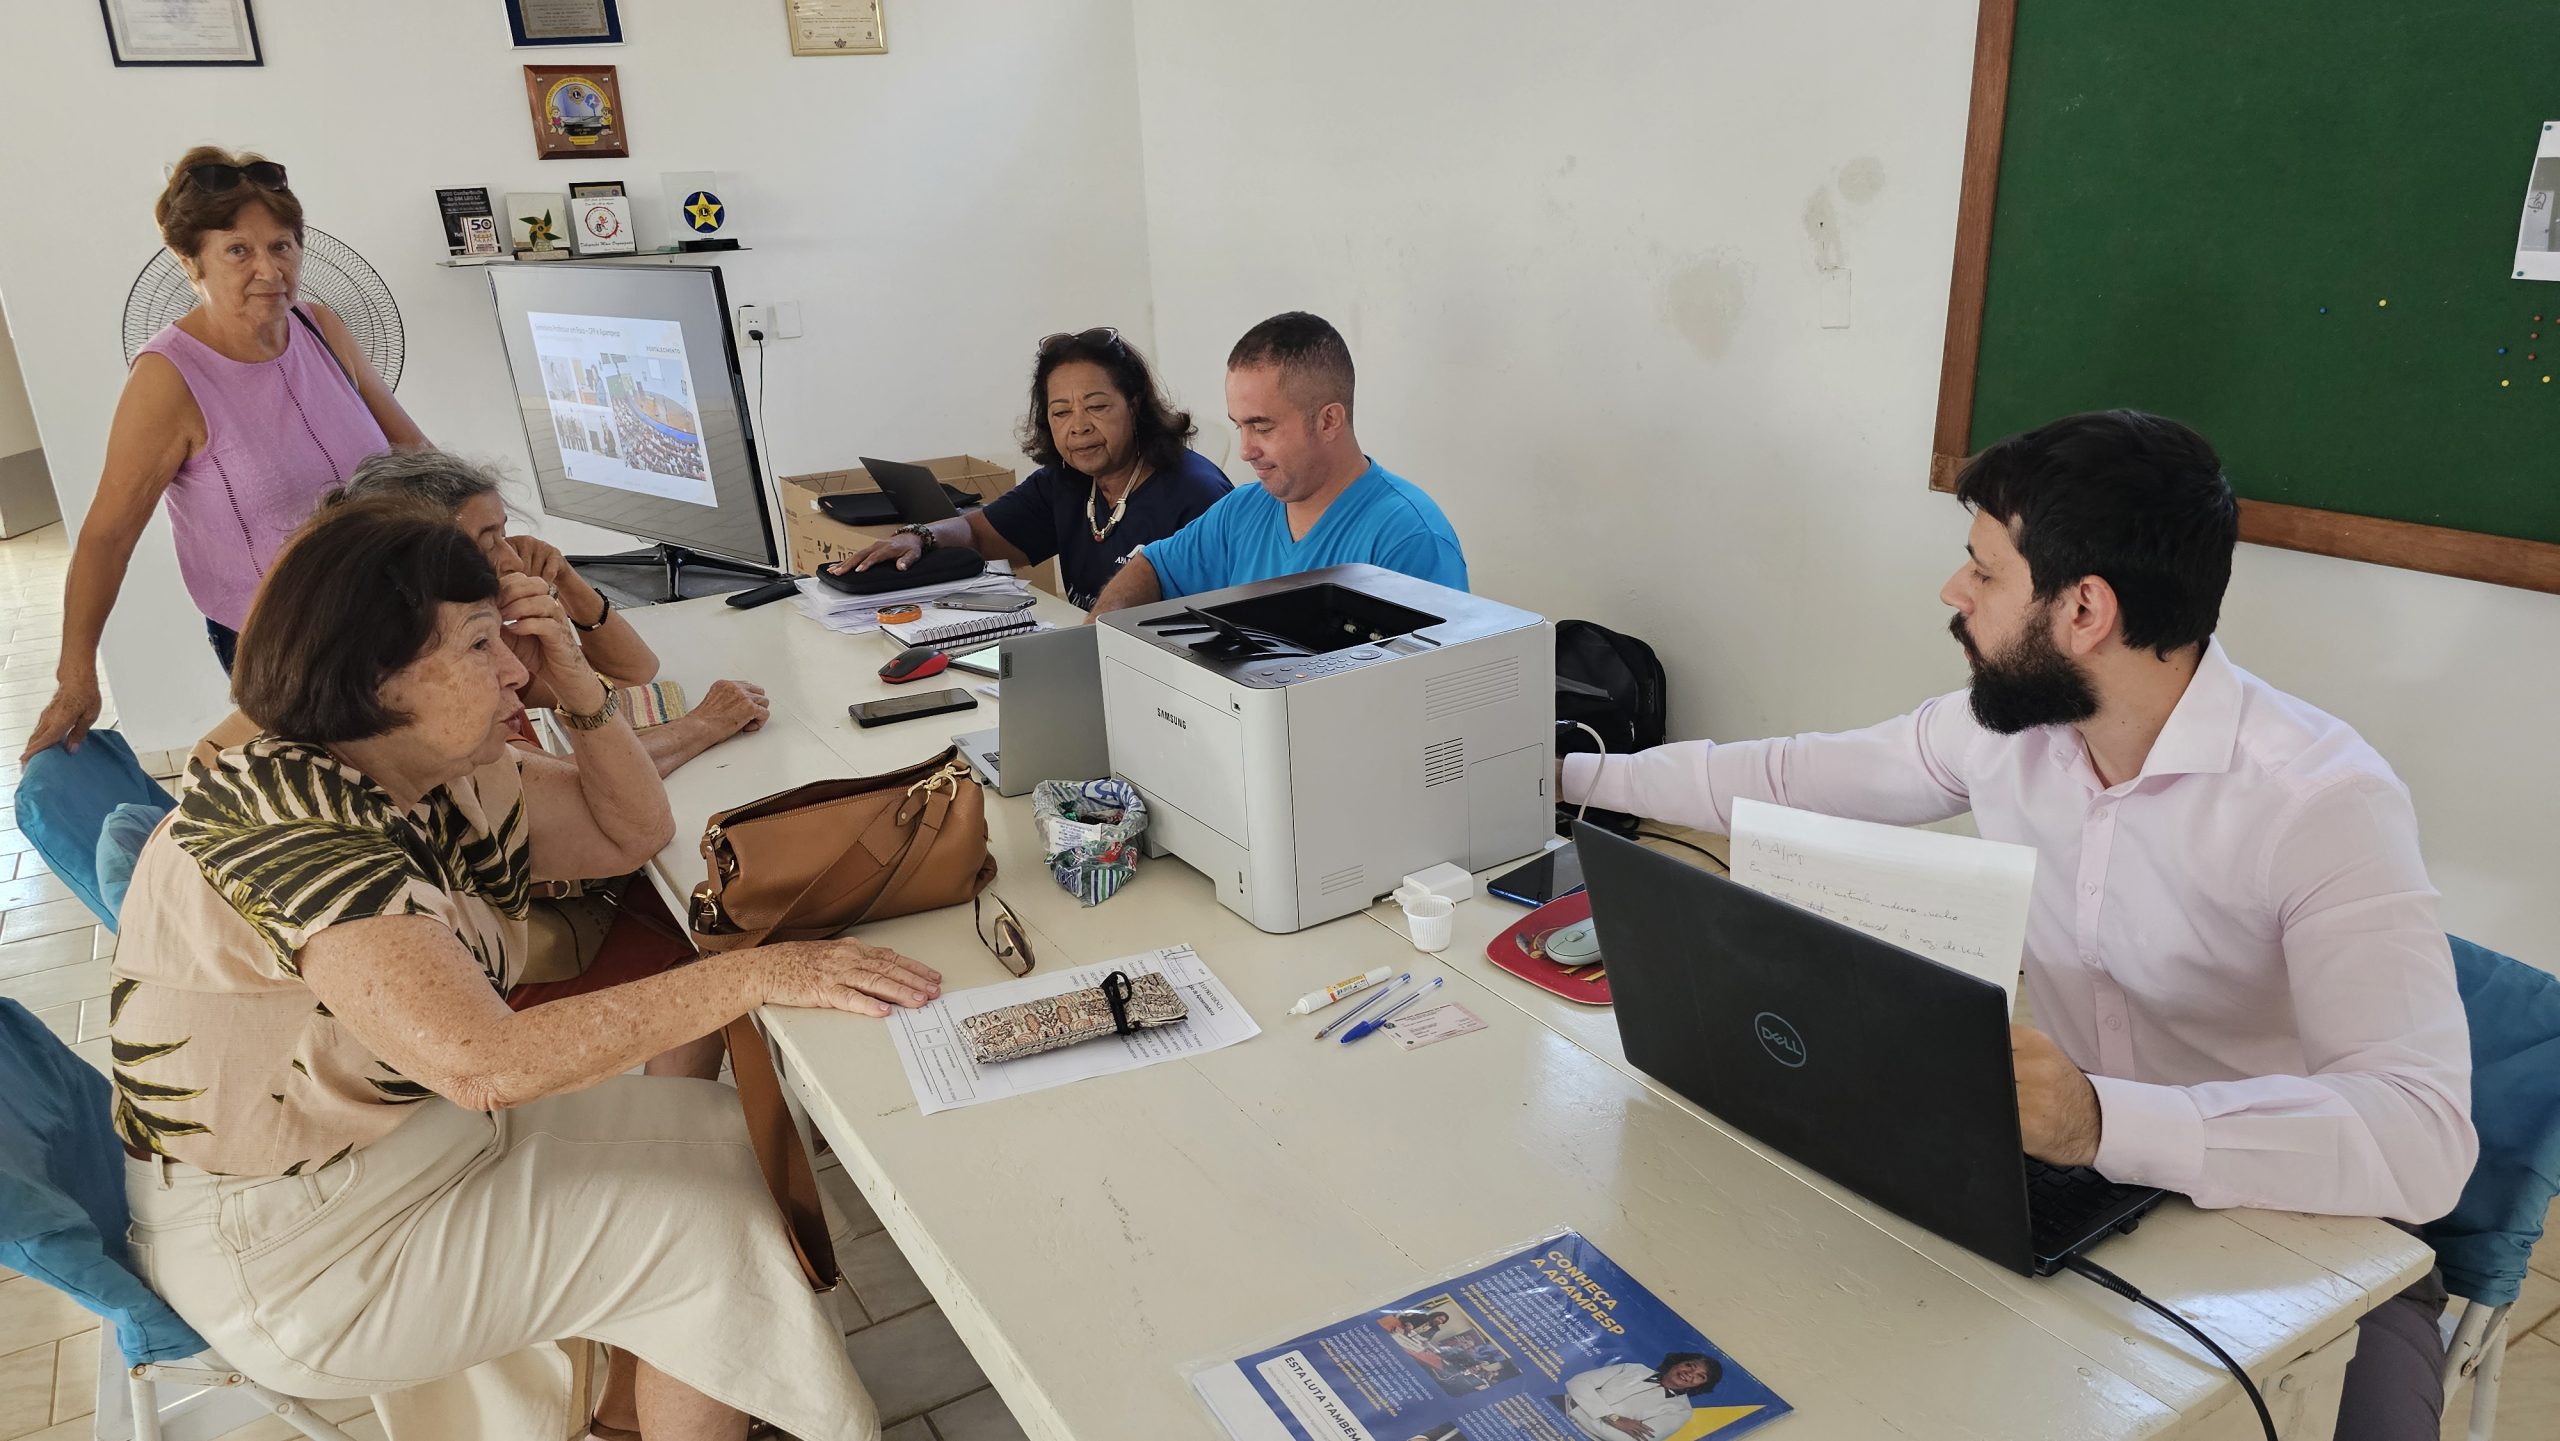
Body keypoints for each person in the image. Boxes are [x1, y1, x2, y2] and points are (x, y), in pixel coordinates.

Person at [1559, 411, 2472, 1441]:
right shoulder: (2011, 730)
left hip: (2304, 1240)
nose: (1954, 592)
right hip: (2074, 1192)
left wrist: (2099, 1122)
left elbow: (2422, 1135)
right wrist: (1559, 773)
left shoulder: (2320, 801)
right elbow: (1785, 775)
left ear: (2083, 608)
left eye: (1984, 571)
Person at [112, 498, 940, 1441]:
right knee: (710, 1233)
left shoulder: (420, 767)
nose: (513, 667)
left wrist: (581, 691)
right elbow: (484, 1062)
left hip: (390, 1155)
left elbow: (631, 831)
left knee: (732, 1133)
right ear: (373, 672)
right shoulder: (288, 822)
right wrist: (755, 975)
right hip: (294, 1245)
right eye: (478, 644)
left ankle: (638, 1415)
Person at [24, 148, 425, 762]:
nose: (269, 270)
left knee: (418, 778)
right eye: (238, 250)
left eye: (282, 246)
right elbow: (107, 537)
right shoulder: (168, 379)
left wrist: (486, 542)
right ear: (190, 262)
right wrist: (74, 676)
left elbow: (413, 454)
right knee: (339, 793)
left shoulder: (320, 327)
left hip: (388, 604)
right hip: (283, 642)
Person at [329, 450, 770, 777]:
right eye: (487, 543)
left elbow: (633, 674)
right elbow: (571, 785)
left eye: (506, 535)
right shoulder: (432, 672)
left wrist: (566, 578)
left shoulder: (455, 638)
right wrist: (703, 725)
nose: (512, 558)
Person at [1088, 312, 1466, 614]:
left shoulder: (1409, 540)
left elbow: (1433, 681)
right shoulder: (1241, 512)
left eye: (1262, 427)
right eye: (1239, 426)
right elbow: (1153, 568)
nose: (1245, 450)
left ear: (1329, 421)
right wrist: (1096, 642)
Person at [830, 328, 1231, 609]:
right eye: (1061, 412)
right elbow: (977, 533)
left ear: (1135, 405)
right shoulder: (1067, 482)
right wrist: (919, 536)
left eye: (1096, 406)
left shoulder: (1196, 494)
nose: (1078, 426)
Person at [1559, 1354, 1720, 1441]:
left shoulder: (1681, 1411)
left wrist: (1576, 1408)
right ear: (1676, 1362)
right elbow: (1577, 1383)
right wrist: (1613, 1419)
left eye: (1700, 1376)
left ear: (1701, 1385)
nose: (1690, 1373)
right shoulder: (1633, 1369)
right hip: (1556, 1413)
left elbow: (1630, 1440)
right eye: (1689, 1365)